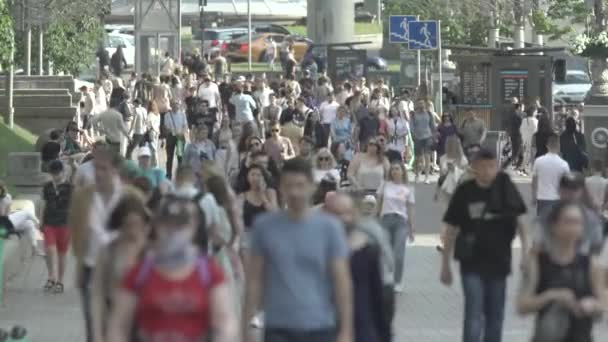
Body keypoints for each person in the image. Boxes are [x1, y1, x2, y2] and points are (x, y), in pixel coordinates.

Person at [242, 158, 353, 342]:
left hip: (320, 326)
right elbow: (254, 280)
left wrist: (347, 331)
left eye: (300, 185)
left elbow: (342, 281)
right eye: (289, 186)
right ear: (281, 188)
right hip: (278, 327)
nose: (294, 192)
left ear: (311, 187)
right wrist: (245, 328)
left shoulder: (329, 228)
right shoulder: (265, 227)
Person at [107, 195, 238, 342]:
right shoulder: (139, 273)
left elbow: (225, 321)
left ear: (193, 228)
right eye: (168, 224)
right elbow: (119, 324)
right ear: (157, 227)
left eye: (181, 224)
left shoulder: (209, 273)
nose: (174, 231)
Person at [440, 148, 528, 342]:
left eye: (492, 166)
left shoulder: (505, 188)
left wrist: (526, 254)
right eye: (483, 167)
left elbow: (521, 223)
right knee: (474, 312)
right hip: (471, 262)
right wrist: (445, 265)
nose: (488, 171)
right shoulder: (465, 192)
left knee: (495, 316)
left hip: (499, 262)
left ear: (497, 167)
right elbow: (452, 229)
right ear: (474, 168)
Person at [517, 201, 606, 342]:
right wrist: (551, 296)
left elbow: (602, 304)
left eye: (578, 222)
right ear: (554, 226)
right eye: (568, 221)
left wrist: (591, 305)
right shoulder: (538, 262)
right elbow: (522, 306)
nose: (573, 227)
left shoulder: (590, 264)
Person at [68, 147, 129, 342]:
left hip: (120, 271)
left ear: (115, 170)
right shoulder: (84, 196)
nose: (99, 173)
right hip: (90, 269)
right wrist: (78, 267)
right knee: (92, 326)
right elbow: (77, 230)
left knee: (116, 325)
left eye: (104, 168)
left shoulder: (129, 197)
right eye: (96, 168)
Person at [324, 193, 390, 342]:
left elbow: (378, 298)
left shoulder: (367, 250)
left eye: (347, 213)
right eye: (336, 214)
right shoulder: (316, 251)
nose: (342, 219)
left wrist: (384, 335)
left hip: (361, 328)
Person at [91, 192, 151, 342]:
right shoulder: (109, 250)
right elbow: (97, 294)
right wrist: (97, 334)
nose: (132, 230)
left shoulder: (153, 251)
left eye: (137, 224)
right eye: (127, 224)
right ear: (119, 224)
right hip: (115, 318)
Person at [377, 162, 415, 293]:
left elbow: (410, 209)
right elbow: (379, 203)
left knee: (398, 253)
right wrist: (375, 219)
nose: (394, 171)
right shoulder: (385, 185)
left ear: (403, 171)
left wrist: (411, 228)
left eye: (397, 169)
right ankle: (385, 278)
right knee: (385, 251)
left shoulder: (408, 189)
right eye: (392, 169)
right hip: (386, 220)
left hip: (401, 221)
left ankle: (397, 281)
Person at [40, 160, 73, 294]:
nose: (55, 176)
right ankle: (51, 276)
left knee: (62, 254)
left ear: (62, 172)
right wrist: (41, 220)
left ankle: (59, 280)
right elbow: (43, 204)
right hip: (49, 222)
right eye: (53, 173)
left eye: (57, 173)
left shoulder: (70, 187)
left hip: (64, 223)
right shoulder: (47, 186)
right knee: (50, 249)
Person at [532, 134, 570, 216]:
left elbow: (534, 180)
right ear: (558, 146)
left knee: (542, 225)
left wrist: (534, 195)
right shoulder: (564, 164)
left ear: (547, 146)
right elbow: (567, 184)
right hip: (557, 199)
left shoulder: (538, 161)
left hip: (542, 198)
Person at [164, 100, 189, 179]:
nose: (175, 106)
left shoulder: (182, 114)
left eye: (177, 104)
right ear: (171, 105)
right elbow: (166, 127)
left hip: (180, 137)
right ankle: (168, 175)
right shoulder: (167, 115)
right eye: (174, 104)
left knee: (180, 157)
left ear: (179, 105)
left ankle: (180, 175)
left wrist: (181, 132)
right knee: (169, 157)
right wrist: (172, 131)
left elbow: (185, 126)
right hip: (171, 137)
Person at [520, 107, 539, 175]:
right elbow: (537, 131)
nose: (537, 113)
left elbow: (521, 130)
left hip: (525, 140)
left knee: (527, 154)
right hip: (533, 141)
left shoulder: (524, 120)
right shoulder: (536, 121)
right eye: (536, 111)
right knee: (533, 155)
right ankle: (532, 169)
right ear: (533, 112)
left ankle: (523, 168)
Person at [145, 100, 162, 167]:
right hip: (157, 132)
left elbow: (148, 124)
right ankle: (154, 164)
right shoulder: (158, 114)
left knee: (152, 149)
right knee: (154, 149)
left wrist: (147, 129)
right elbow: (158, 124)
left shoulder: (150, 114)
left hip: (152, 132)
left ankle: (154, 165)